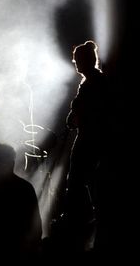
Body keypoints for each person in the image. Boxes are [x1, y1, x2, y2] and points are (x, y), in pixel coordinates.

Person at [65, 40, 110, 252]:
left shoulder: (94, 84)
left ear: (86, 60)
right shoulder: (94, 82)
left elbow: (89, 115)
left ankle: (79, 223)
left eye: (77, 59)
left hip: (89, 140)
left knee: (79, 181)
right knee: (84, 181)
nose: (75, 63)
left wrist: (76, 117)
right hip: (90, 139)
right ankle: (87, 220)